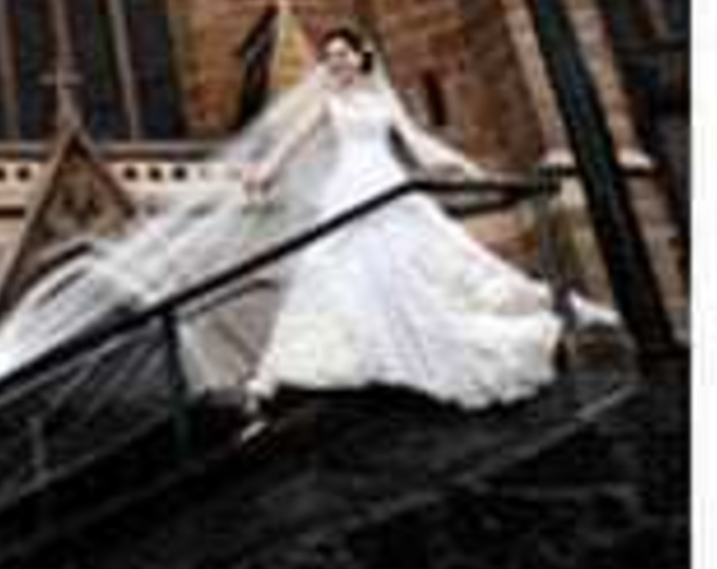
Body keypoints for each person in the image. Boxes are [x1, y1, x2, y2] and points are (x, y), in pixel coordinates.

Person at [236, 27, 569, 414]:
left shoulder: (381, 100)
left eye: (342, 53)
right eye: (329, 56)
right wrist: (265, 171)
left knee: (413, 265)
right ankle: (356, 356)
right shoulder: (327, 102)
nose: (335, 61)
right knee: (330, 266)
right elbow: (292, 140)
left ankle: (417, 355)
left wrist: (459, 164)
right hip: (350, 189)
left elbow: (414, 140)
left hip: (387, 183)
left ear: (362, 56)